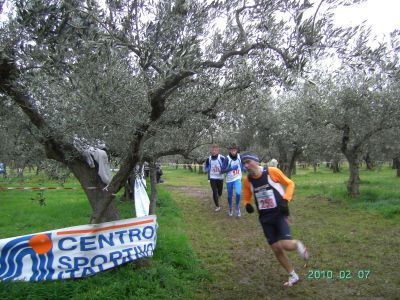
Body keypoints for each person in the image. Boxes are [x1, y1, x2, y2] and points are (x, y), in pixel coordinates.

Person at [241, 153, 309, 287]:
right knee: (276, 248)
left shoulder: (272, 172)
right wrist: (247, 204)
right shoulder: (247, 180)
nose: (246, 166)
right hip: (265, 218)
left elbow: (290, 184)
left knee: (285, 245)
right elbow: (246, 196)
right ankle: (293, 275)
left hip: (279, 214)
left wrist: (285, 200)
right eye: (244, 164)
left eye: (248, 162)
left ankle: (298, 245)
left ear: (256, 161)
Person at [221, 144, 244, 217]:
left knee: (238, 193)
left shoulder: (240, 157)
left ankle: (237, 207)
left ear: (236, 150)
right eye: (232, 150)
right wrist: (231, 168)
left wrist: (243, 168)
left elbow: (242, 164)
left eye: (234, 150)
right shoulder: (227, 159)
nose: (233, 151)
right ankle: (230, 207)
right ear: (229, 150)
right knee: (229, 196)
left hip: (237, 178)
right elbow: (222, 171)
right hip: (229, 179)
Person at [204, 144, 226, 212]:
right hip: (212, 177)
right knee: (214, 191)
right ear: (211, 150)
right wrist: (207, 169)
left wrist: (223, 170)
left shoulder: (222, 158)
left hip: (220, 178)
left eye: (215, 150)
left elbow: (226, 166)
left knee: (219, 192)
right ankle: (217, 206)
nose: (214, 151)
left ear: (218, 150)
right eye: (213, 150)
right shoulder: (209, 159)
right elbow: (206, 168)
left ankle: (219, 196)